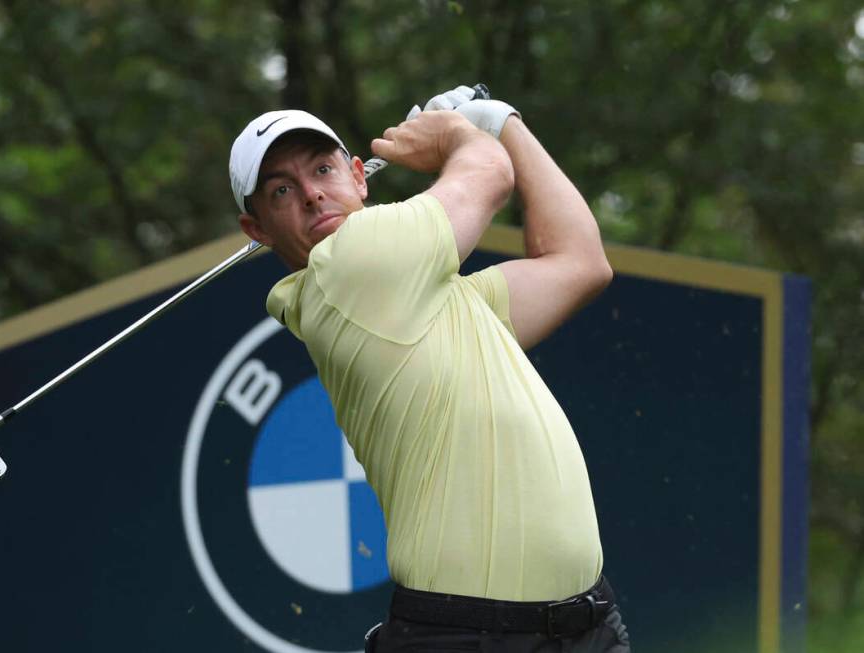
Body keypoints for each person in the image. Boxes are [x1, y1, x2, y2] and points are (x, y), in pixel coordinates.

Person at [229, 86, 630, 652]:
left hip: (585, 625)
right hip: (466, 636)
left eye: (322, 169)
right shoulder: (344, 268)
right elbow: (489, 175)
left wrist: (500, 120)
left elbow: (580, 262)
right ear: (258, 231)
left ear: (359, 178)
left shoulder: (435, 301)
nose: (314, 196)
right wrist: (462, 133)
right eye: (281, 190)